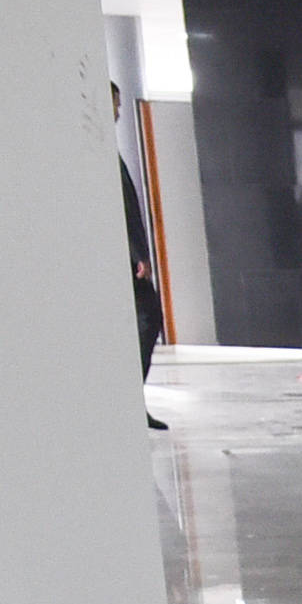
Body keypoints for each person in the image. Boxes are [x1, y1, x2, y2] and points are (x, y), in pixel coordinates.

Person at [114, 82, 166, 428]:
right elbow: (123, 211)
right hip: (127, 260)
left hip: (130, 257)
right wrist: (138, 254)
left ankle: (132, 401)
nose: (118, 112)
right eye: (115, 104)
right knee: (147, 319)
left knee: (148, 321)